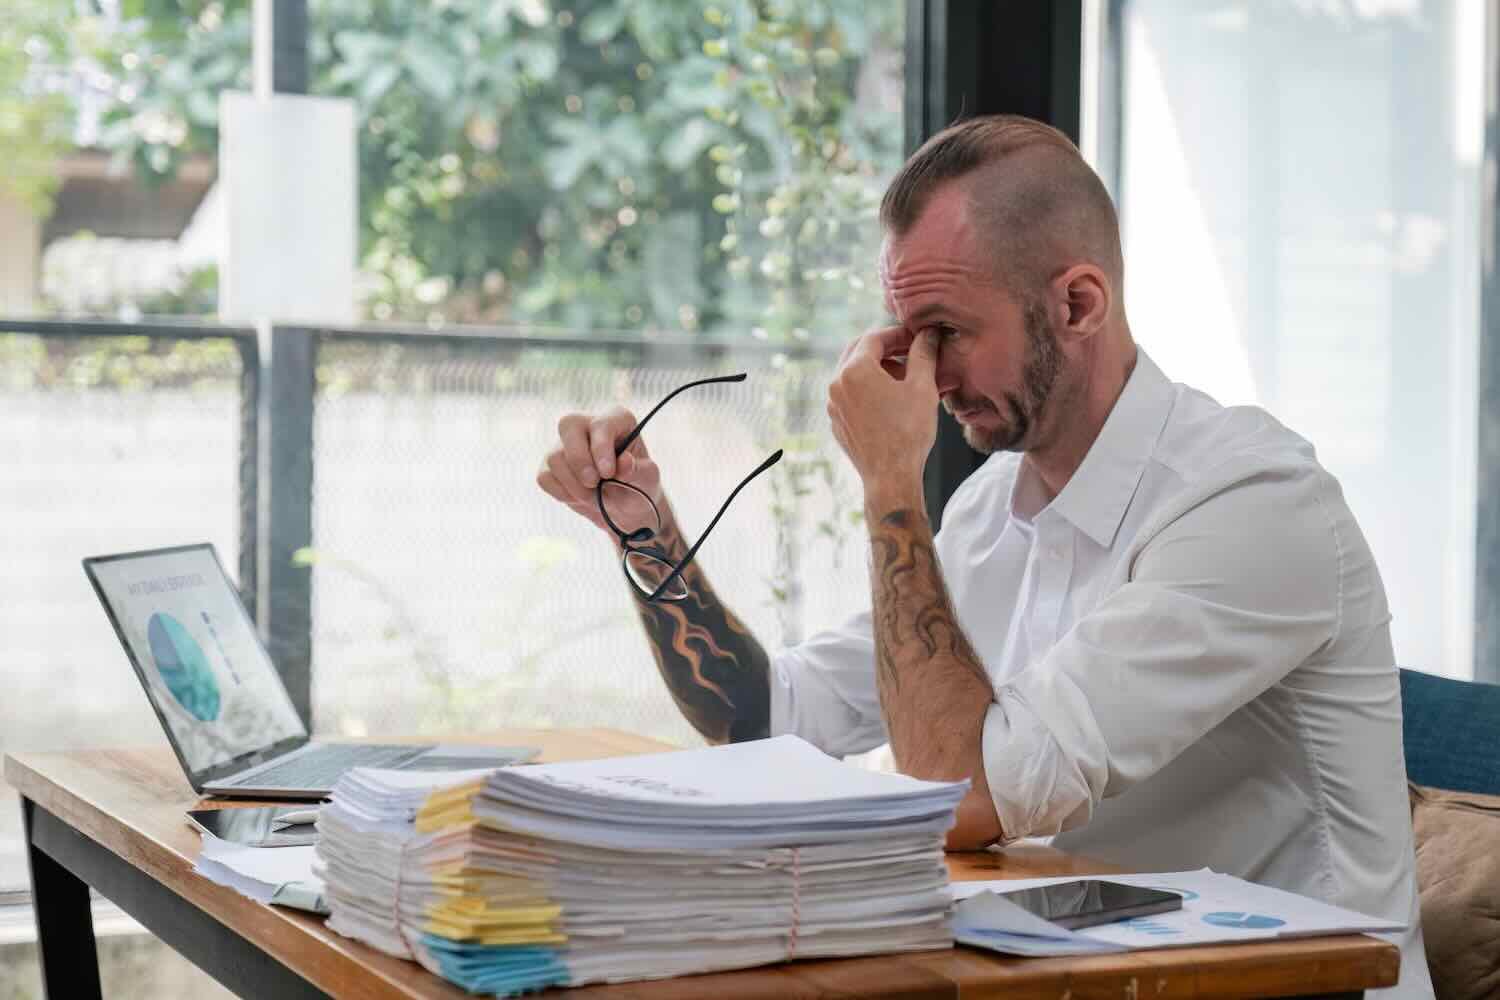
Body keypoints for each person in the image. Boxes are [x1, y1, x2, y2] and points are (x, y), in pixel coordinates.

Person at [536, 114, 1432, 999]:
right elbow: (771, 721)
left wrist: (891, 479)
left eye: (946, 331)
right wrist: (646, 533)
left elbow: (964, 798)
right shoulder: (987, 510)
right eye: (905, 333)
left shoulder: (1251, 503)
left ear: (1078, 304)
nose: (919, 373)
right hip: (1085, 971)